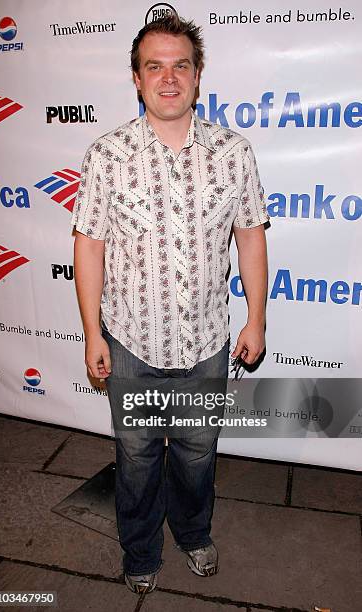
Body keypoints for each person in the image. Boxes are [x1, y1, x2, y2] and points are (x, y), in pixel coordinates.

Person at [71, 14, 269, 595]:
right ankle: (139, 549)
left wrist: (257, 317)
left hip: (208, 342)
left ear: (198, 74)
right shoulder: (106, 155)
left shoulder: (234, 153)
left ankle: (191, 531)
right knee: (134, 458)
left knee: (196, 453)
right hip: (132, 341)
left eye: (180, 65)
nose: (168, 77)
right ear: (136, 79)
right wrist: (92, 332)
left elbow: (251, 234)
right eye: (153, 66)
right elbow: (89, 246)